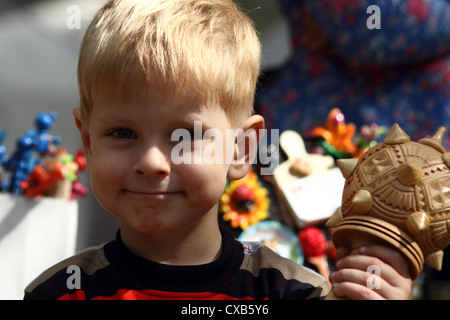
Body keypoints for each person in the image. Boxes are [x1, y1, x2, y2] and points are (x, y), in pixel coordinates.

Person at [24, 0, 412, 300]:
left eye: (185, 137)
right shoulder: (60, 292)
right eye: (123, 133)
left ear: (243, 148)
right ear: (88, 142)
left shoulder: (289, 291)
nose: (151, 163)